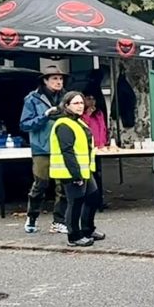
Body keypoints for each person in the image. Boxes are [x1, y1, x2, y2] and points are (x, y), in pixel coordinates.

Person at [49, 91, 104, 247]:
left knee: (93, 198)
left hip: (84, 170)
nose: (80, 106)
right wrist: (76, 175)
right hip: (71, 172)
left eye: (81, 103)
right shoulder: (64, 124)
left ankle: (87, 229)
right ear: (67, 106)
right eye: (76, 103)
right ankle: (74, 236)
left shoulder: (78, 122)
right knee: (76, 203)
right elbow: (67, 151)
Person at [20, 65, 68, 234]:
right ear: (45, 81)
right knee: (41, 184)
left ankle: (59, 221)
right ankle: (32, 217)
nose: (59, 82)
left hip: (63, 147)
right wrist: (45, 115)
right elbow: (24, 124)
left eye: (61, 79)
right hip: (41, 147)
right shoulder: (32, 99)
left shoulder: (67, 98)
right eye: (54, 78)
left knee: (63, 186)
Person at [81, 94, 109, 211]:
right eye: (89, 98)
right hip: (88, 147)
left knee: (99, 174)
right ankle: (90, 202)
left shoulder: (99, 113)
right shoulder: (82, 115)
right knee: (90, 175)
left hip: (100, 147)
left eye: (93, 98)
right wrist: (87, 114)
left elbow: (103, 128)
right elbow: (84, 127)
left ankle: (99, 201)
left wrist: (105, 141)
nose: (92, 101)